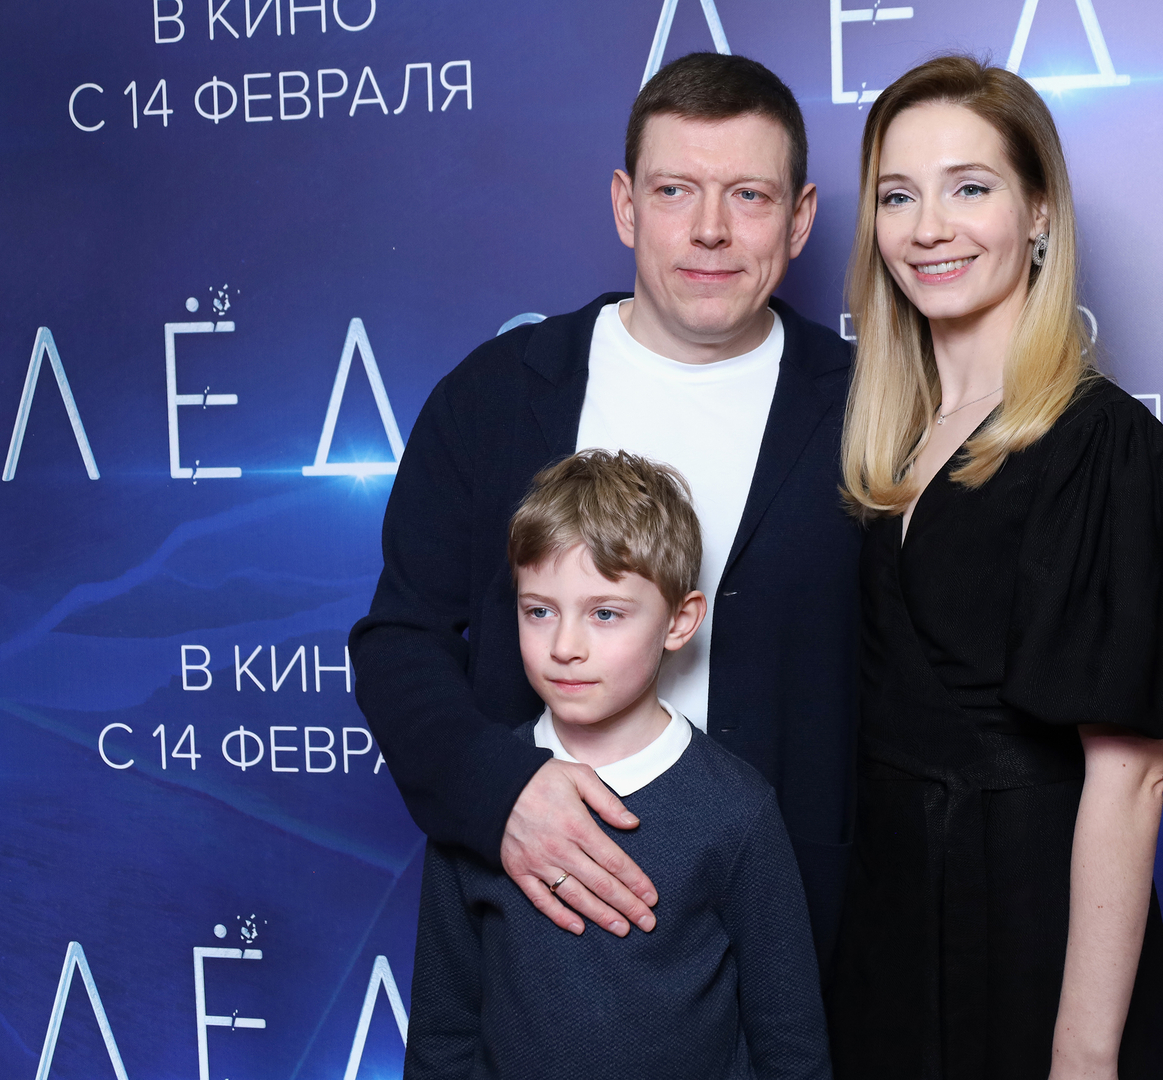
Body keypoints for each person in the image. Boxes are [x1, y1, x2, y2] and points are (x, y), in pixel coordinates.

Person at [348, 53, 860, 967]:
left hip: (798, 942)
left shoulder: (873, 406)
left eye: (748, 195)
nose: (710, 230)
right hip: (536, 925)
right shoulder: (498, 394)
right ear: (626, 205)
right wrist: (501, 792)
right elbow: (399, 639)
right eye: (675, 191)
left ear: (800, 218)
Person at [825, 57, 1163, 1080]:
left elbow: (1131, 775)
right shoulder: (891, 438)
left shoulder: (1102, 444)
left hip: (1032, 938)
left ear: (1041, 213)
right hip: (886, 943)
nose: (929, 228)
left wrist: (1084, 1053)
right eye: (898, 196)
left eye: (969, 187)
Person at [404, 450, 830, 1080]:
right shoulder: (479, 794)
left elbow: (790, 1046)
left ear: (680, 622)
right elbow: (442, 1031)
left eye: (604, 613)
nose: (564, 646)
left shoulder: (737, 810)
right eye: (539, 610)